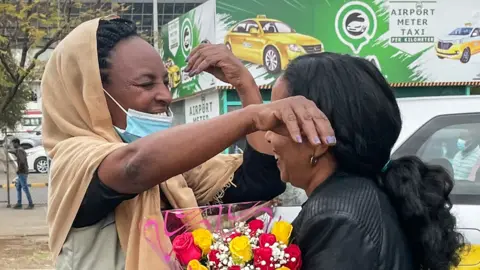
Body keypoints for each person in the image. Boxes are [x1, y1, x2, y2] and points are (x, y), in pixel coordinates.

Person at [41, 16, 335, 269]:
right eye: (146, 84)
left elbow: (260, 183)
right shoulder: (72, 160)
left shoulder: (173, 174)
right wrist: (253, 117)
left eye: (166, 83)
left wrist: (245, 84)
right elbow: (134, 167)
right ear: (89, 94)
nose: (165, 96)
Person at [264, 53, 466, 270]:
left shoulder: (337, 217)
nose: (267, 136)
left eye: (278, 123)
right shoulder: (356, 196)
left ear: (318, 142)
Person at [9, 138, 34, 209]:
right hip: (22, 171)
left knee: (25, 188)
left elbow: (22, 162)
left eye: (13, 143)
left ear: (16, 143)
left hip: (22, 172)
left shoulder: (19, 150)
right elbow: (15, 152)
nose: (13, 145)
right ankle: (19, 203)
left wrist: (18, 170)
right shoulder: (19, 149)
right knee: (18, 187)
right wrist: (9, 151)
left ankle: (30, 203)